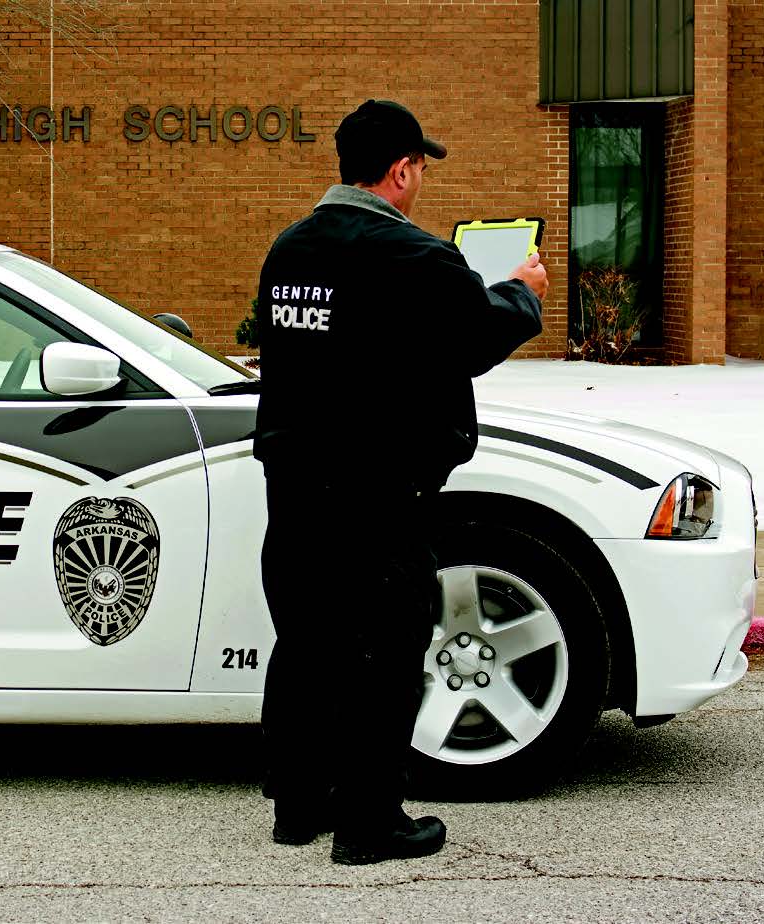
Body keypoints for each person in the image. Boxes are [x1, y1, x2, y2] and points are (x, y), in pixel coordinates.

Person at [253, 99, 547, 865]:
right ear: (400, 169)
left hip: (292, 478)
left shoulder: (289, 251)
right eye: (419, 167)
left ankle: (297, 803)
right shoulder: (415, 256)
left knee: (308, 638)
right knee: (384, 646)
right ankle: (369, 823)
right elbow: (473, 339)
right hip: (375, 486)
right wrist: (521, 291)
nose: (419, 179)